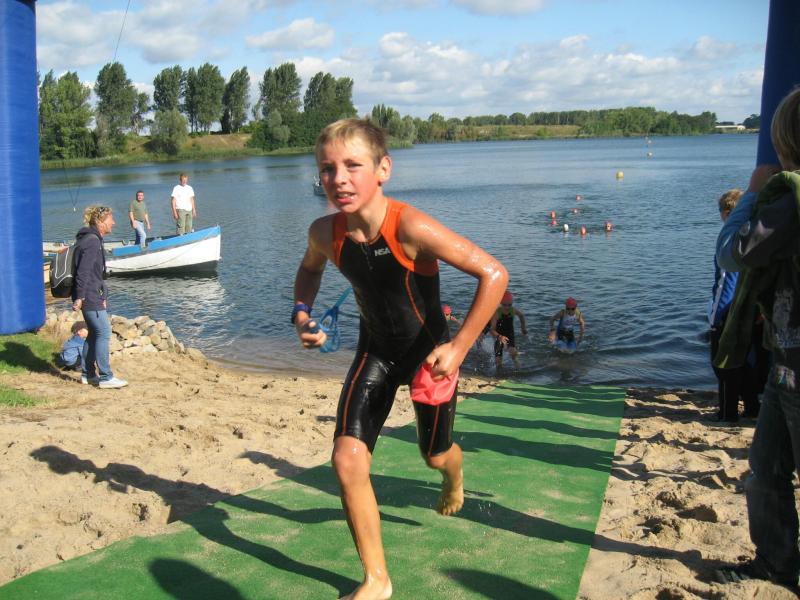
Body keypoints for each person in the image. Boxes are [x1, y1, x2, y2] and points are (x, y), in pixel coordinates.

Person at [293, 118, 508, 600]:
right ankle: (377, 580)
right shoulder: (325, 233)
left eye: (353, 165)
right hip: (375, 352)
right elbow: (308, 272)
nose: (339, 179)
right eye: (327, 169)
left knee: (434, 455)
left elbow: (494, 274)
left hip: (429, 359)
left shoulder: (410, 227)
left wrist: (459, 347)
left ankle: (454, 474)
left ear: (383, 169)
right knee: (347, 461)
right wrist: (301, 315)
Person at [714, 87, 800, 590]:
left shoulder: (788, 201)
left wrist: (752, 192)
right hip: (782, 362)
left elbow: (731, 252)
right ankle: (776, 563)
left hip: (795, 367)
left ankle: (778, 563)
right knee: (765, 472)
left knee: (767, 472)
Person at [708, 189, 761, 423]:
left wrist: (715, 317)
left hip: (729, 311)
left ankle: (727, 413)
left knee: (722, 364)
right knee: (745, 361)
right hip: (751, 309)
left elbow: (725, 284)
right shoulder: (756, 234)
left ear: (729, 213)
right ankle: (752, 406)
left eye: (720, 211)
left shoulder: (730, 242)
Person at [72, 205, 128, 389]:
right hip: (89, 295)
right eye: (111, 219)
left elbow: (97, 273)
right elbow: (83, 271)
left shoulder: (90, 238)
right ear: (100, 221)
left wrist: (103, 293)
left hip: (91, 293)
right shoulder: (92, 241)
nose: (114, 222)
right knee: (104, 332)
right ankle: (105, 377)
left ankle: (88, 374)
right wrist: (80, 297)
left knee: (95, 333)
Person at [489, 291, 527, 370]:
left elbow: (521, 316)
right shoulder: (497, 313)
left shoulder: (512, 310)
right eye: (504, 305)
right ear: (501, 303)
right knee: (498, 363)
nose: (507, 307)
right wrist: (499, 337)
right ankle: (499, 374)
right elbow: (492, 330)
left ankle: (519, 369)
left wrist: (523, 328)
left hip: (509, 334)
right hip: (499, 336)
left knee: (513, 354)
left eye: (509, 305)